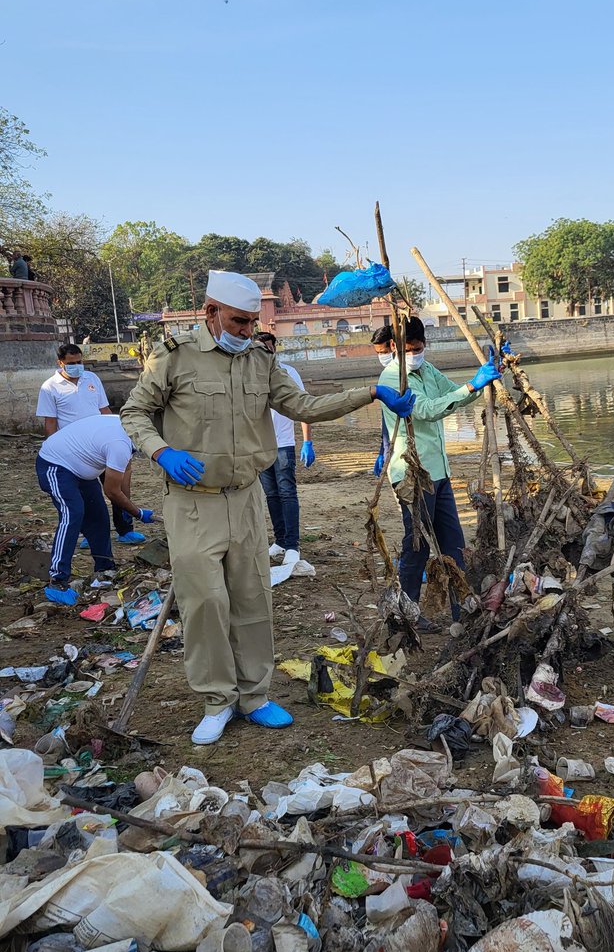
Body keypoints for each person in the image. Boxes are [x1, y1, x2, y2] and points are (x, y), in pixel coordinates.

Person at [120, 270, 415, 746]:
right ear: (211, 312)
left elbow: (302, 405)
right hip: (192, 503)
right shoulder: (173, 358)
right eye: (238, 321)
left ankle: (254, 696)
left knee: (253, 599)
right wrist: (161, 452)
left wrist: (372, 392)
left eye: (251, 322)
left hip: (246, 498)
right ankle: (218, 701)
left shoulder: (260, 359)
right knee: (205, 604)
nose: (245, 331)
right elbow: (133, 412)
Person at [377, 315, 503, 624]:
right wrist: (471, 385)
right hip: (412, 473)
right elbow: (427, 411)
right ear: (395, 347)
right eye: (410, 349)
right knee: (417, 546)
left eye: (420, 347)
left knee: (453, 543)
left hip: (439, 471)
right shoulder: (392, 379)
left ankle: (464, 609)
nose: (416, 354)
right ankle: (406, 614)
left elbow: (453, 396)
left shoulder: (427, 370)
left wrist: (482, 379)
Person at [36, 414, 155, 606]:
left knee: (98, 516)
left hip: (81, 469)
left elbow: (124, 476)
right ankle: (57, 581)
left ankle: (104, 568)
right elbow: (112, 491)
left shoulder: (128, 432)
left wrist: (129, 509)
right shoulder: (120, 444)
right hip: (55, 464)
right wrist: (138, 513)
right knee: (72, 513)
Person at [36, 344, 145, 545]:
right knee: (87, 495)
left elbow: (104, 410)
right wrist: (54, 449)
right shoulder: (50, 387)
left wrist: (119, 435)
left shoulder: (92, 379)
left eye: (79, 362)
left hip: (103, 442)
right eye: (72, 363)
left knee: (118, 487)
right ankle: (91, 534)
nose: (77, 366)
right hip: (77, 451)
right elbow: (50, 423)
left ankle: (124, 529)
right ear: (60, 363)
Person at [254, 331, 314, 570]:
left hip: (283, 444)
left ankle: (292, 545)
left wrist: (307, 441)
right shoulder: (250, 375)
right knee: (271, 494)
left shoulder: (287, 373)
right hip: (261, 445)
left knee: (287, 492)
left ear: (274, 349)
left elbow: (303, 406)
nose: (265, 353)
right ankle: (279, 540)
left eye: (268, 348)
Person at [371, 326, 393, 476]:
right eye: (378, 353)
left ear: (393, 345)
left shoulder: (405, 373)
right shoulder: (386, 375)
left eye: (384, 353)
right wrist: (382, 449)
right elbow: (386, 418)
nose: (382, 357)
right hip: (389, 437)